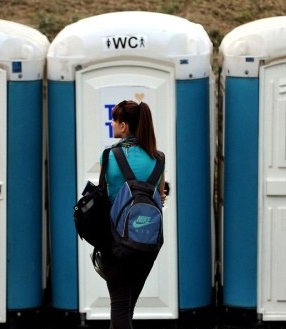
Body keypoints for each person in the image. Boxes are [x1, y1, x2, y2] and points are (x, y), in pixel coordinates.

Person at [99, 100, 166, 329]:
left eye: (115, 120)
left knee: (119, 307)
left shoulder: (109, 156)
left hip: (115, 241)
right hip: (147, 243)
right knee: (127, 308)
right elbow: (160, 197)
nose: (112, 123)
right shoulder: (158, 158)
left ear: (124, 126)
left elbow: (103, 194)